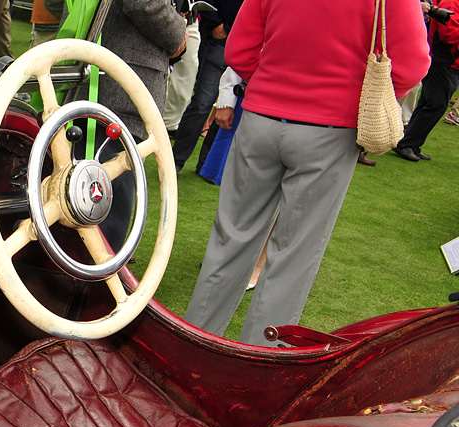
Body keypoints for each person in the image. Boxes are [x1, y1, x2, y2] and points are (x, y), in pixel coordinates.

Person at [183, 0, 429, 346]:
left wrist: (273, 83)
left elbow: (239, 49)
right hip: (329, 129)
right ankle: (258, 369)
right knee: (293, 259)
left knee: (230, 241)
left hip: (262, 118)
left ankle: (192, 348)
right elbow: (414, 64)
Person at [78, 0, 187, 249]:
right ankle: (91, 284)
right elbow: (143, 3)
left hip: (99, 75)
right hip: (118, 87)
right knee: (103, 207)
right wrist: (178, 30)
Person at [169, 0, 242, 172]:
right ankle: (175, 161)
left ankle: (208, 166)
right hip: (221, 40)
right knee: (202, 103)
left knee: (231, 106)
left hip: (244, 43)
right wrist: (216, 24)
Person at [393, 0, 459, 162]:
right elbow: (447, 33)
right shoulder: (451, 2)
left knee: (429, 102)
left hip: (448, 60)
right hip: (443, 59)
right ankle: (407, 143)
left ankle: (411, 143)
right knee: (435, 104)